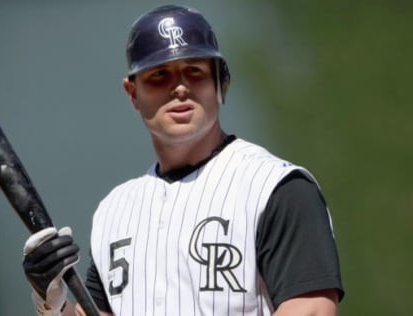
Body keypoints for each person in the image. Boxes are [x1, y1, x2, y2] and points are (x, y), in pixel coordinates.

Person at [22, 4, 344, 316]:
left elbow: (312, 310)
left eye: (194, 71)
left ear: (220, 81)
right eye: (159, 74)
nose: (179, 87)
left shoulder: (276, 188)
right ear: (132, 92)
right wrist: (52, 301)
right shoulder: (115, 210)